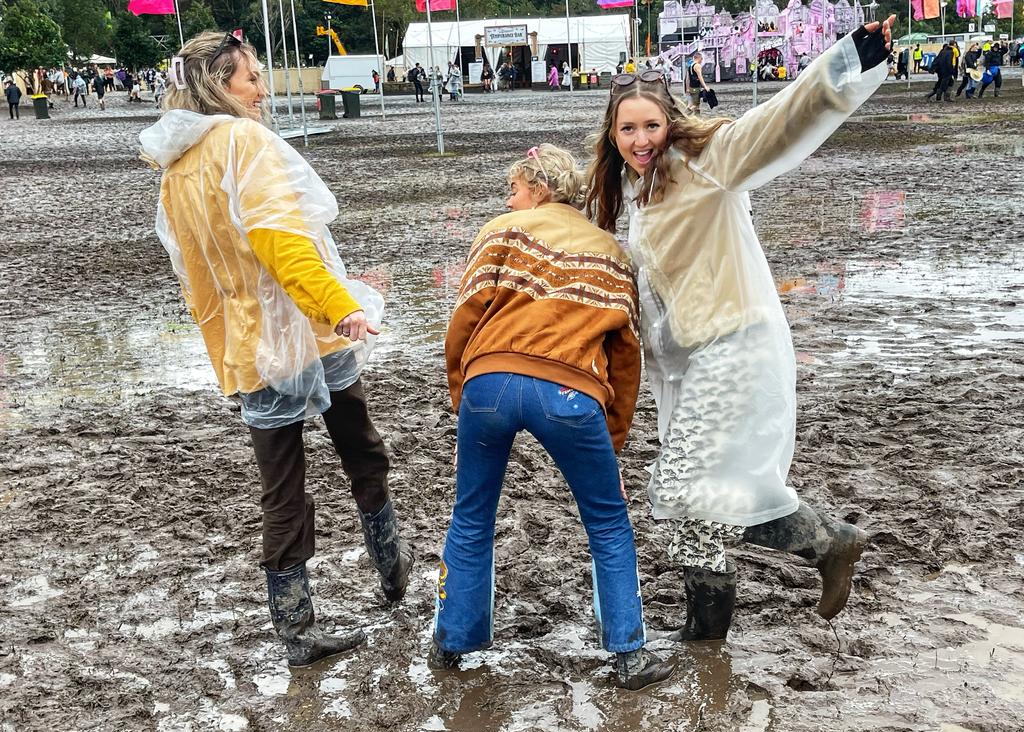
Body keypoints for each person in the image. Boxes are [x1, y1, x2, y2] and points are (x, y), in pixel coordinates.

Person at [583, 17, 895, 644]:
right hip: (694, 361)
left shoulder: (707, 164)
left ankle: (829, 541)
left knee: (686, 491)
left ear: (670, 121)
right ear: (613, 134)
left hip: (736, 343)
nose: (641, 139)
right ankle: (707, 633)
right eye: (628, 128)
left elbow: (777, 122)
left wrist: (845, 61)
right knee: (698, 496)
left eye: (651, 124)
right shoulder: (634, 191)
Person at [138, 30, 414, 668]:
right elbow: (281, 241)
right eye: (251, 78)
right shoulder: (242, 143)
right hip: (306, 332)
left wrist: (226, 348)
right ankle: (391, 578)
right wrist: (339, 305)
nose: (263, 91)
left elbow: (196, 276)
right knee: (360, 450)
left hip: (249, 345)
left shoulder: (177, 168)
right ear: (217, 86)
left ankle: (297, 626)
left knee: (282, 484)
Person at [431, 144, 674, 691]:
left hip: (489, 384)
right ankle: (629, 655)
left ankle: (454, 640)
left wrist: (460, 391)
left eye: (514, 189)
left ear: (540, 188)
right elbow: (625, 351)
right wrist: (613, 433)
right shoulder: (611, 251)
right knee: (607, 520)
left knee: (472, 516)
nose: (508, 199)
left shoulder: (501, 232)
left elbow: (466, 315)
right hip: (571, 394)